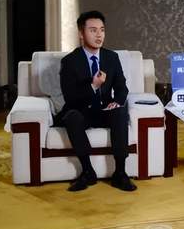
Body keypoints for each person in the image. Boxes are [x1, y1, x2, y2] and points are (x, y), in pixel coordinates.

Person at [56, 10, 136, 192]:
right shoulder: (70, 61)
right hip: (82, 110)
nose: (99, 35)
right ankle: (87, 171)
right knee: (72, 117)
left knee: (120, 111)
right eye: (93, 30)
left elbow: (122, 88)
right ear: (81, 33)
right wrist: (93, 85)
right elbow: (70, 97)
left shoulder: (111, 57)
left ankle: (120, 173)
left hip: (104, 110)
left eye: (102, 30)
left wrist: (117, 102)